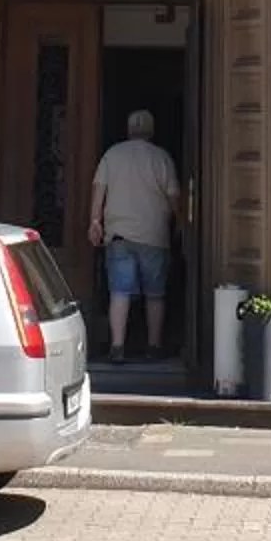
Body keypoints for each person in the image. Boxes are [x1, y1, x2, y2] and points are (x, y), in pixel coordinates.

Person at [88, 109, 182, 364]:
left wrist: (95, 221)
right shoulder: (162, 158)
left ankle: (117, 347)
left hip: (119, 234)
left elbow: (99, 189)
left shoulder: (112, 155)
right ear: (151, 131)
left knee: (119, 292)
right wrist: (182, 223)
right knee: (155, 294)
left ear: (128, 130)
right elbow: (174, 196)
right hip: (154, 234)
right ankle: (154, 346)